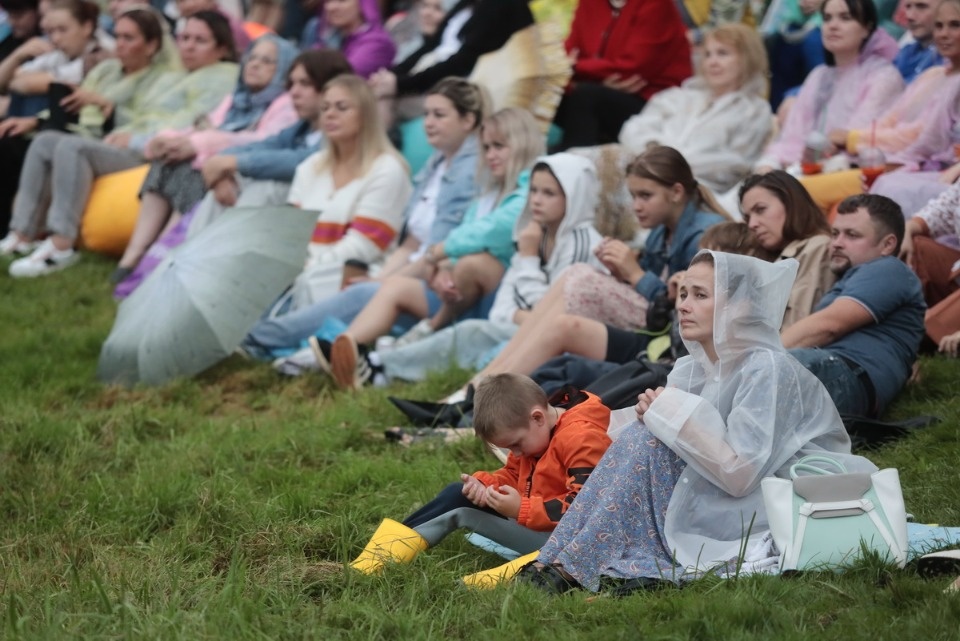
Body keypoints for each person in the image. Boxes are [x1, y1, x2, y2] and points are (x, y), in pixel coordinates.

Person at [479, 250, 877, 594]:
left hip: (775, 493)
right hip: (712, 485)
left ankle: (568, 560)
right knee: (640, 434)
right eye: (683, 293)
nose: (683, 304)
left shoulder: (766, 367)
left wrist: (669, 418)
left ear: (738, 306)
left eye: (700, 295)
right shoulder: (692, 368)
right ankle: (564, 555)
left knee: (646, 437)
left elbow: (742, 473)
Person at [261, 107, 541, 365]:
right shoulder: (479, 188)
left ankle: (268, 338)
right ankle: (342, 351)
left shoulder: (529, 193)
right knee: (388, 288)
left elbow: (486, 233)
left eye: (499, 147)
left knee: (370, 288)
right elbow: (444, 240)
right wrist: (441, 267)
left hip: (491, 295)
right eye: (487, 147)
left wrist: (436, 256)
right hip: (450, 284)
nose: (490, 155)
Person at [240, 76, 487, 358]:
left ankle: (257, 337)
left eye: (342, 107)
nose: (428, 122)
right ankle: (255, 335)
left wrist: (377, 280)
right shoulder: (436, 165)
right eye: (326, 107)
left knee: (358, 291)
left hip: (412, 277)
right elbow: (411, 244)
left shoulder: (399, 169)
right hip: (380, 270)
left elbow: (389, 247)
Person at [326, 152, 606, 389]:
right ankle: (377, 366)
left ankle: (383, 368)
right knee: (468, 333)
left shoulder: (582, 243)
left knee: (477, 338)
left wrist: (530, 259)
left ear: (574, 197)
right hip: (523, 327)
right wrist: (523, 312)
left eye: (549, 193)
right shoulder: (534, 234)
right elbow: (503, 308)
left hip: (557, 339)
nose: (536, 200)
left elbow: (550, 310)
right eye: (533, 190)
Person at [3, 10, 238, 277]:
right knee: (46, 141)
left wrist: (133, 136)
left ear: (222, 47)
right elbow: (139, 114)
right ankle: (22, 233)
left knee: (71, 146)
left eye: (199, 40)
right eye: (184, 38)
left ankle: (61, 244)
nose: (188, 46)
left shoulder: (222, 76)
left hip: (154, 151)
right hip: (119, 139)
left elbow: (189, 124)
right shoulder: (175, 75)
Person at [112, 49, 355, 299]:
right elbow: (263, 146)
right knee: (212, 184)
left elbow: (304, 161)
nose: (294, 91)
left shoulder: (339, 133)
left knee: (266, 186)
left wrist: (234, 163)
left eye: (305, 83)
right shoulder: (301, 128)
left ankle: (217, 283)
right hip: (272, 210)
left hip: (319, 221)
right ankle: (182, 276)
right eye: (292, 83)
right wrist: (222, 167)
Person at [348, 372, 612, 575]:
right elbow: (514, 474)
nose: (516, 454)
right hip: (542, 526)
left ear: (538, 417)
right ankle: (373, 563)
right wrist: (487, 486)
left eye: (516, 445)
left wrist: (522, 508)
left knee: (457, 506)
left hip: (572, 544)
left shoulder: (581, 438)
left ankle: (372, 566)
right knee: (458, 495)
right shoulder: (537, 434)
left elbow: (587, 508)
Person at [113, 34, 299, 282]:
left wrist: (200, 147)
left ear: (284, 70)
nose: (254, 65)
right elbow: (205, 127)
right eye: (252, 57)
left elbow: (261, 142)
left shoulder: (285, 104)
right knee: (166, 161)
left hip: (241, 175)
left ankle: (160, 255)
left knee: (190, 170)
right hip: (213, 162)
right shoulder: (237, 98)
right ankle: (133, 254)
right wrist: (168, 140)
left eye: (267, 61)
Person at [783, 194, 926, 418]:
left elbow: (830, 326)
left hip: (845, 373)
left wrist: (756, 356)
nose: (837, 243)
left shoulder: (889, 269)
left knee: (751, 374)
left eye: (852, 235)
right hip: (840, 376)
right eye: (835, 233)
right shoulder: (858, 277)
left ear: (887, 244)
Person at [281, 72, 411, 310]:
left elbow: (364, 246)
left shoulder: (388, 170)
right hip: (299, 276)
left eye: (342, 107)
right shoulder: (309, 167)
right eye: (325, 108)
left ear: (365, 115)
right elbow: (290, 233)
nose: (330, 114)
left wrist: (306, 270)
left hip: (353, 281)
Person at [616, 22, 772, 195]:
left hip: (700, 190)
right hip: (647, 175)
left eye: (722, 53)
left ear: (747, 58)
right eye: (707, 55)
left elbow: (736, 165)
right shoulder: (678, 96)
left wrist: (672, 164)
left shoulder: (754, 110)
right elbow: (633, 129)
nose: (713, 62)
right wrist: (656, 150)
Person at [756, 0, 904, 172]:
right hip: (799, 166)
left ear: (867, 28)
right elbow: (792, 137)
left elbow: (849, 140)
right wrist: (769, 165)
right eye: (827, 18)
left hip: (845, 171)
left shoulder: (883, 77)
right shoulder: (819, 75)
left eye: (845, 18)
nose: (833, 26)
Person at [552, 0, 692, 150]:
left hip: (651, 103)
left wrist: (577, 67)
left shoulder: (657, 4)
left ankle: (572, 164)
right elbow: (569, 54)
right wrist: (577, 72)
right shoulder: (589, 3)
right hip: (598, 89)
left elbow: (632, 69)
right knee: (549, 92)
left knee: (586, 95)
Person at [368, 0, 534, 101]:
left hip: (460, 88)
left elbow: (461, 62)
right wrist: (391, 75)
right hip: (430, 77)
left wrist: (401, 84)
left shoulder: (502, 5)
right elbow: (432, 45)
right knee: (378, 92)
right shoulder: (467, 3)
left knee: (383, 99)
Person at [739, 171, 834, 328]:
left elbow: (798, 322)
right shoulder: (758, 256)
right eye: (748, 217)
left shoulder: (818, 247)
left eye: (761, 209)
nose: (752, 224)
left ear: (791, 204)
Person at [1, 0, 110, 117]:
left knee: (37, 97)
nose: (56, 38)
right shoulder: (60, 52)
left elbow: (28, 85)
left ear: (87, 27)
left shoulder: (100, 54)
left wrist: (17, 82)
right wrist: (18, 55)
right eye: (51, 31)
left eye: (63, 30)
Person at [305, 0, 395, 79]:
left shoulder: (378, 44)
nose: (331, 7)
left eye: (342, 0)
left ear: (363, 4)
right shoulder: (329, 39)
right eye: (328, 1)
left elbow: (341, 80)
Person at [894, 0, 943, 83]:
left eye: (921, 7)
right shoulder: (905, 52)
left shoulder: (951, 59)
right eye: (908, 7)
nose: (910, 16)